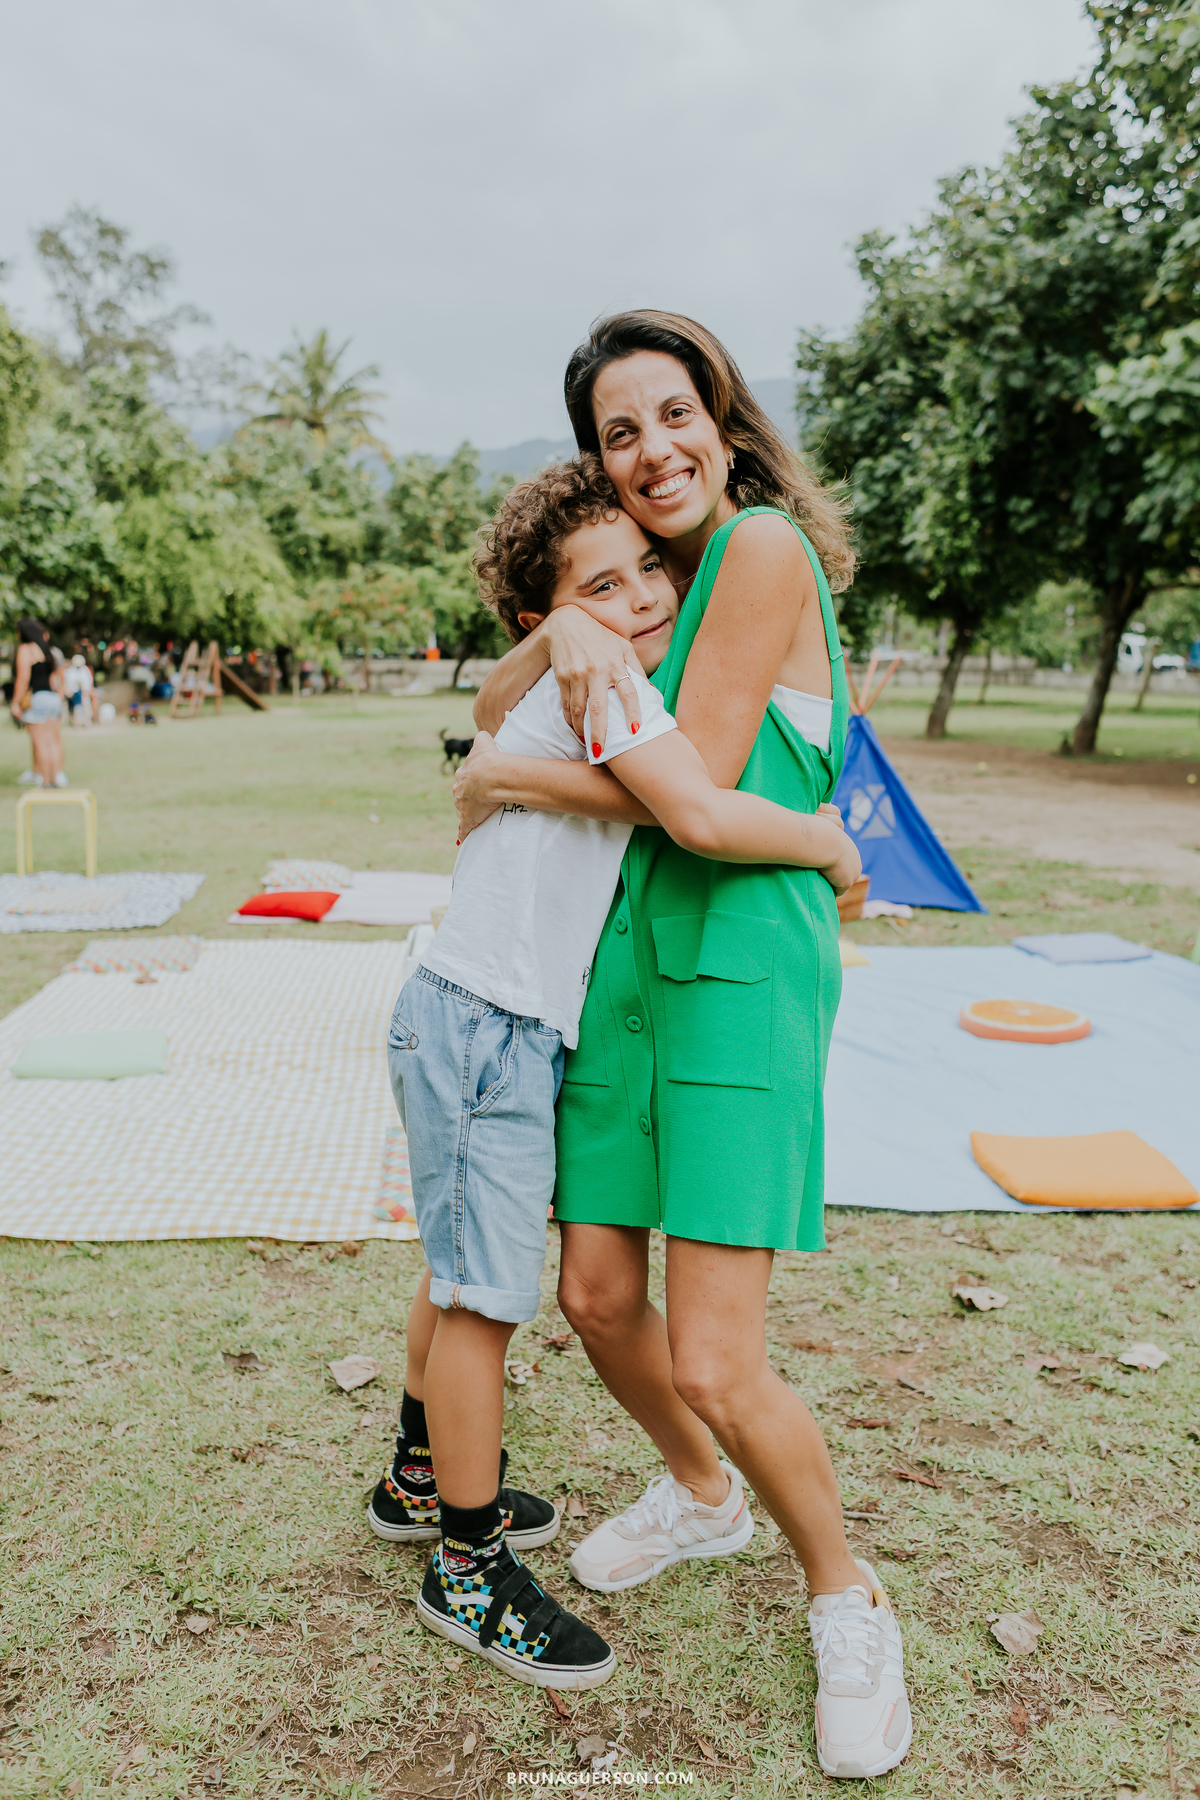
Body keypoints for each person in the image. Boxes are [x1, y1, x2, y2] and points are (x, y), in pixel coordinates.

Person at [450, 312, 912, 1780]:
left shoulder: (761, 553)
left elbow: (692, 793)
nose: (652, 452)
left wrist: (506, 771)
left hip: (737, 973)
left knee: (716, 1352)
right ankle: (704, 1497)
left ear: (723, 412)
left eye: (671, 414)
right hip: (630, 968)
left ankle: (846, 1591)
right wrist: (563, 625)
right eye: (617, 434)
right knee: (591, 1294)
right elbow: (506, 697)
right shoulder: (648, 588)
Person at [377, 455, 860, 1693]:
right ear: (555, 614)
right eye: (604, 584)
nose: (643, 597)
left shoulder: (584, 666)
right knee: (486, 1292)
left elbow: (494, 719)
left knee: (455, 1263)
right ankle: (469, 1563)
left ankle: (415, 1476)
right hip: (489, 1021)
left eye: (649, 571)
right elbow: (690, 809)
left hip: (474, 1012)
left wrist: (550, 659)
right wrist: (824, 840)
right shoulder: (608, 686)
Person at [11, 618, 67, 787]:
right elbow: (59, 675)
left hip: (37, 698)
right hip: (53, 698)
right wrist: (60, 695)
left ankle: (44, 781)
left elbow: (23, 678)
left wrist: (15, 702)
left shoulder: (26, 649)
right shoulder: (47, 649)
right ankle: (55, 779)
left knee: (40, 743)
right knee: (53, 741)